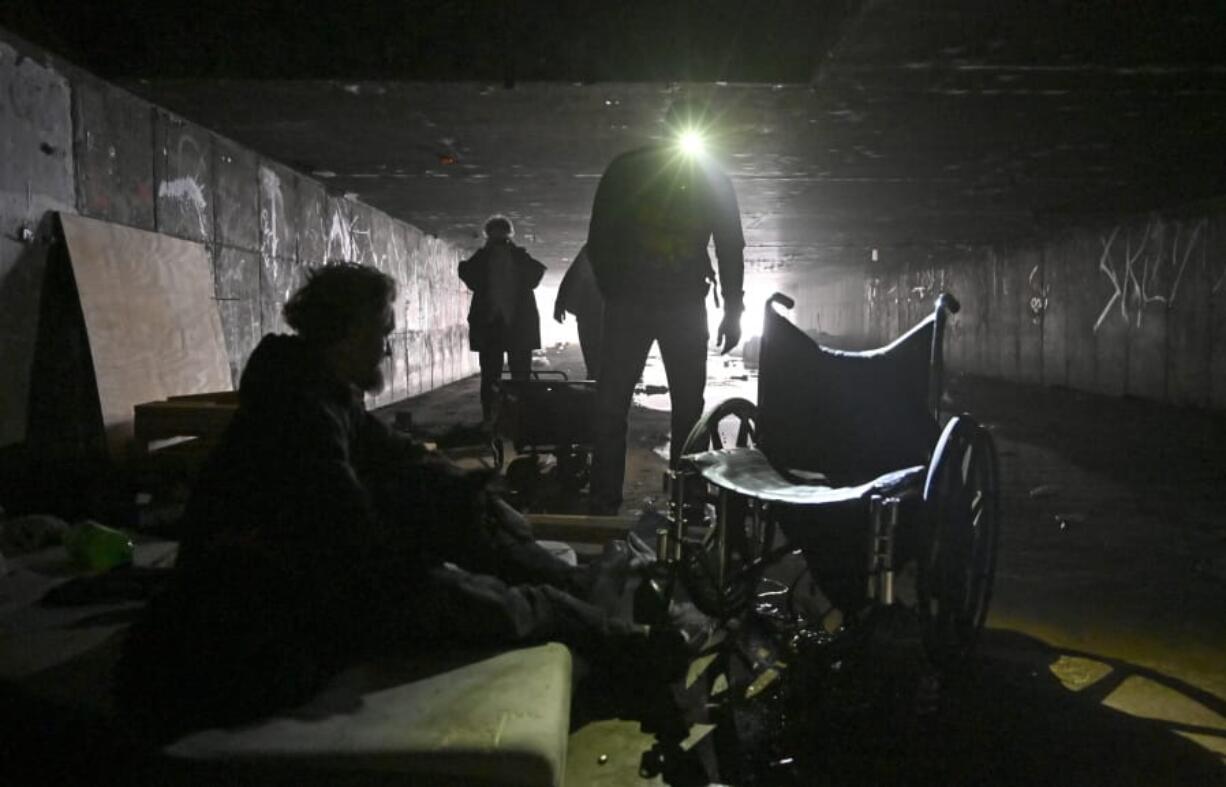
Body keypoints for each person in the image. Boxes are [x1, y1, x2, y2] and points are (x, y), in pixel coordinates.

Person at [115, 263, 688, 741]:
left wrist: (475, 494)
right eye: (381, 333)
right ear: (347, 337)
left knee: (458, 499)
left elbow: (397, 455)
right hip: (277, 607)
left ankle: (585, 593)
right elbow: (352, 544)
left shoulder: (317, 388)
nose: (389, 347)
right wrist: (441, 556)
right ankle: (630, 648)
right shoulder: (300, 416)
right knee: (512, 604)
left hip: (310, 571)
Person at [585, 98, 746, 515]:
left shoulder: (626, 169)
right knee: (686, 408)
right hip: (678, 305)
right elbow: (729, 245)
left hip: (641, 304)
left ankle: (605, 500)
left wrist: (614, 291)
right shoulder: (712, 178)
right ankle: (686, 501)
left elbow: (599, 237)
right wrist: (732, 308)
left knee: (612, 405)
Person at [459, 215, 546, 426]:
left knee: (494, 377)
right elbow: (468, 273)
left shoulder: (513, 257)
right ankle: (517, 419)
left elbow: (535, 274)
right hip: (510, 326)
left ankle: (494, 419)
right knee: (514, 377)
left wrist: (506, 251)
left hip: (495, 326)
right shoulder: (503, 257)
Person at [553, 244, 605, 380]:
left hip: (590, 310)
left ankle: (595, 386)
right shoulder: (628, 246)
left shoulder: (591, 248)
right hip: (602, 311)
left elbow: (572, 276)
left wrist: (560, 303)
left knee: (592, 354)